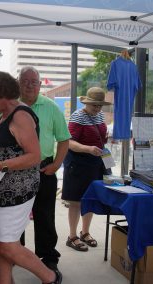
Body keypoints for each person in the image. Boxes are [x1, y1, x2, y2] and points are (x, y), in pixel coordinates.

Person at [0, 71, 62, 284]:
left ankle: (49, 277)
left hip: (13, 196)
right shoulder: (2, 115)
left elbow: (34, 156)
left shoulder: (21, 115)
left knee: (7, 246)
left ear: (1, 93)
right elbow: (6, 148)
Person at [18, 66, 70, 272]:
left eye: (34, 81)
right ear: (18, 83)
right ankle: (15, 251)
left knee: (45, 216)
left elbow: (64, 140)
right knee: (16, 215)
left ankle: (48, 258)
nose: (30, 85)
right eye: (25, 81)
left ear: (40, 85)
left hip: (44, 169)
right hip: (16, 171)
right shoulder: (11, 107)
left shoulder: (51, 107)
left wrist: (56, 165)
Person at [61, 87, 112, 252]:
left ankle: (85, 232)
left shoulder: (100, 115)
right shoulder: (78, 115)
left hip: (96, 162)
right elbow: (69, 142)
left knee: (90, 198)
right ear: (87, 103)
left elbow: (100, 135)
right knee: (75, 201)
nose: (97, 109)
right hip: (78, 162)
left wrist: (106, 140)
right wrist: (88, 148)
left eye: (99, 105)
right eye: (94, 105)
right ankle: (72, 236)